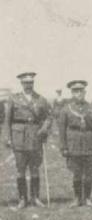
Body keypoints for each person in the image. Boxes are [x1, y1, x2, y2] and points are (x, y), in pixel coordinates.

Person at [3, 72, 52, 209]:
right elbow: (7, 120)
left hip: (35, 136)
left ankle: (35, 197)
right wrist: (7, 138)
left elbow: (49, 116)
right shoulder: (14, 99)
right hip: (19, 136)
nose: (28, 85)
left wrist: (44, 129)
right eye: (25, 83)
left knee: (35, 168)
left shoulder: (40, 99)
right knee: (21, 169)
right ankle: (22, 199)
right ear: (21, 84)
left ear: (33, 84)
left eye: (30, 83)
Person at [59, 80, 92, 207]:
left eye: (81, 91)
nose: (79, 93)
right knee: (76, 172)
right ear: (72, 93)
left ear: (85, 92)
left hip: (89, 142)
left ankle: (88, 198)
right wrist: (63, 146)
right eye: (76, 91)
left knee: (89, 172)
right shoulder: (66, 109)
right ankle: (77, 198)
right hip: (73, 143)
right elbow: (62, 129)